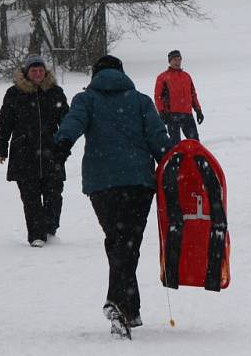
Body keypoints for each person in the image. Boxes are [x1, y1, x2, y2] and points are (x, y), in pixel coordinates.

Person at [54, 55, 174, 338]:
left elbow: (73, 123)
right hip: (138, 183)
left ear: (95, 74)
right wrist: (172, 162)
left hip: (102, 183)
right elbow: (159, 139)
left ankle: (127, 308)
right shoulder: (141, 101)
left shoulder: (86, 100)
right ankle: (120, 303)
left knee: (117, 241)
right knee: (127, 243)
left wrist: (62, 144)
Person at [0, 54, 69, 247]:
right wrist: (0, 148)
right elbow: (5, 122)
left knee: (54, 196)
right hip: (24, 153)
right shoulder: (14, 93)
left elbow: (67, 122)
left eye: (41, 70)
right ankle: (37, 235)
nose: (37, 73)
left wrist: (65, 145)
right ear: (26, 73)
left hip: (52, 153)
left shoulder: (55, 92)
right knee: (31, 198)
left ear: (46, 72)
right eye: (34, 70)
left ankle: (50, 230)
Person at [154, 49, 203, 141]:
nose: (177, 62)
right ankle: (176, 156)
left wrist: (198, 110)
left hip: (187, 115)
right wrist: (161, 112)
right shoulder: (162, 77)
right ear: (170, 61)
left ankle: (194, 156)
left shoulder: (186, 76)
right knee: (175, 145)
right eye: (175, 60)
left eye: (179, 59)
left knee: (194, 142)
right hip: (171, 115)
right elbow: (157, 96)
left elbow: (193, 95)